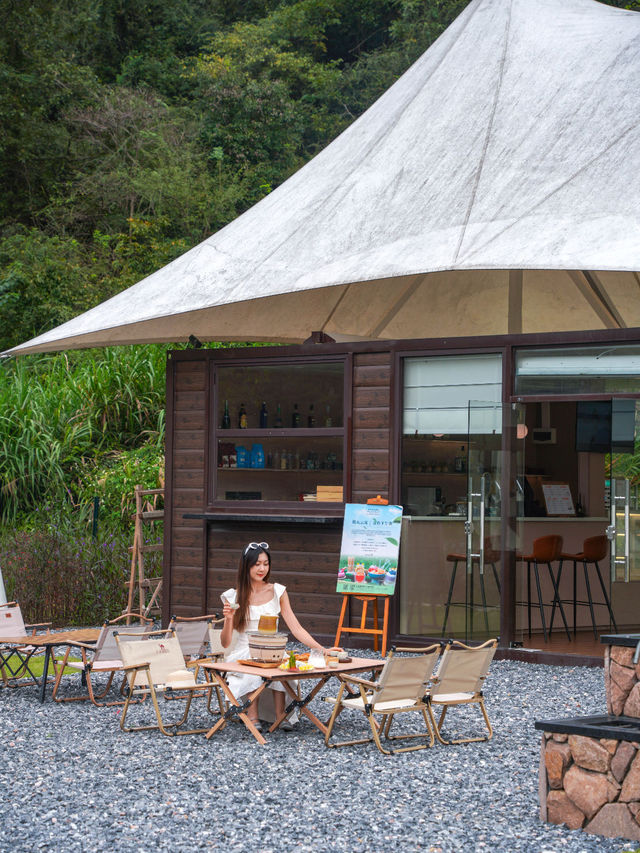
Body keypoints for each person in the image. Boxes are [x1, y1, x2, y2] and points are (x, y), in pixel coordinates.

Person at [220, 541, 330, 732]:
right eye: (257, 564)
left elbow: (296, 628)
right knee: (252, 663)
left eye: (266, 564)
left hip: (273, 648)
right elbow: (225, 643)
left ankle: (281, 715)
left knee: (282, 662)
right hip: (245, 650)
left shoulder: (278, 591)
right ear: (246, 566)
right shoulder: (234, 597)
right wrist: (229, 619)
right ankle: (252, 716)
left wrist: (321, 649)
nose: (262, 569)